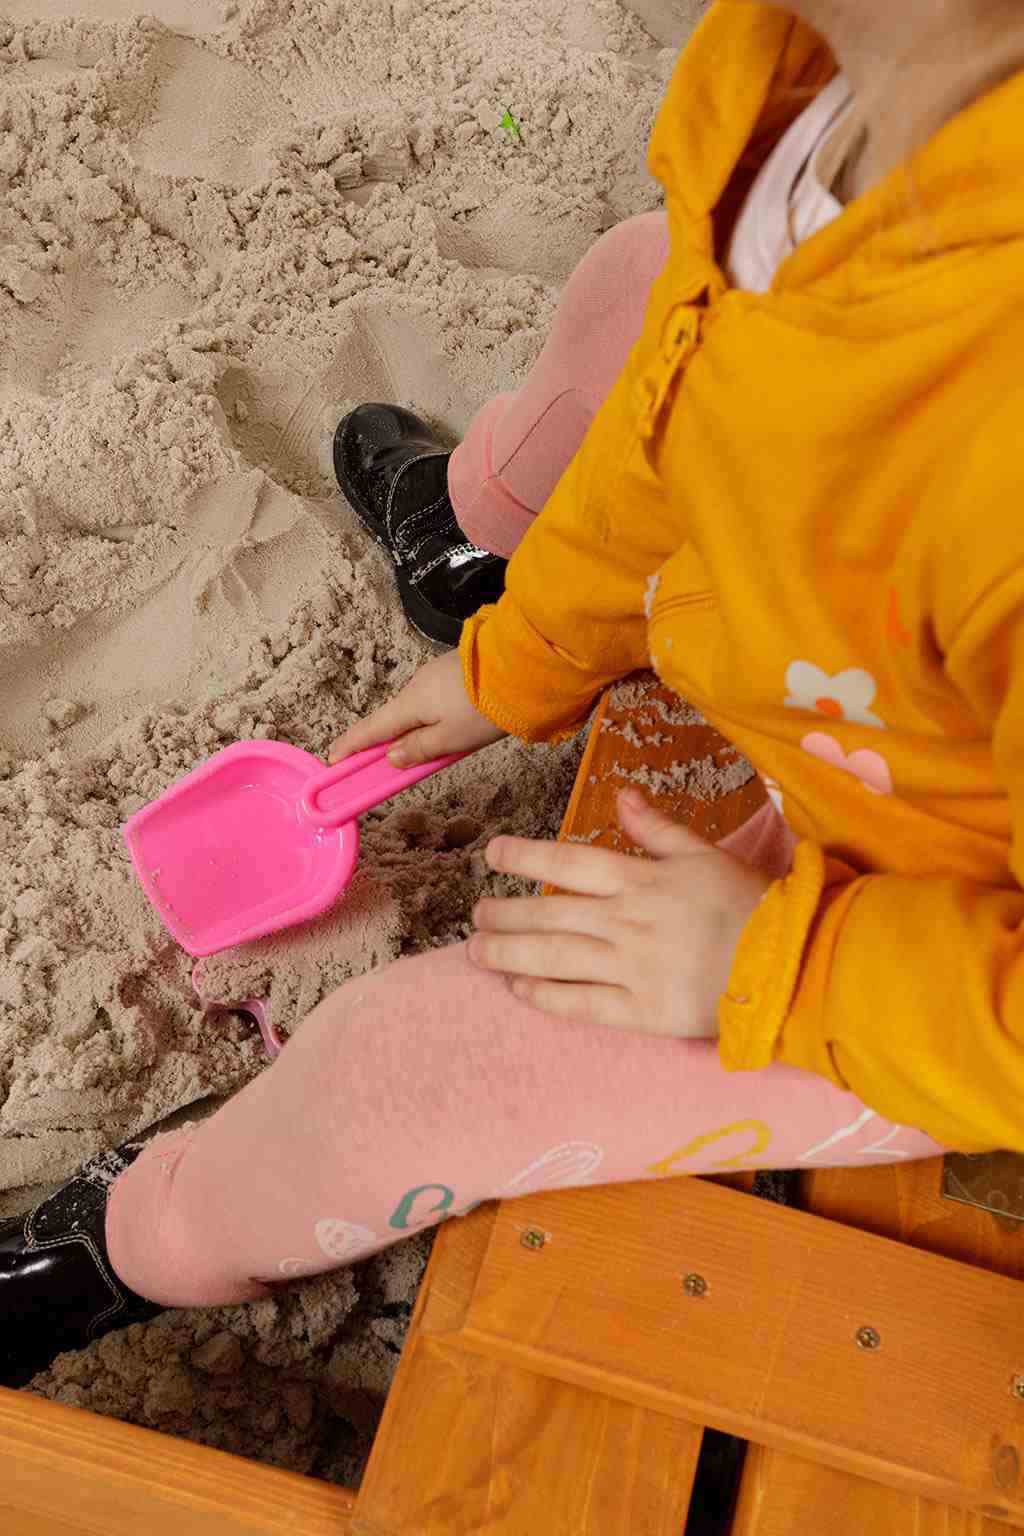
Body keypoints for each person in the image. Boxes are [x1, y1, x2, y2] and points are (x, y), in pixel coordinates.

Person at [5, 0, 1024, 1388]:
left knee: (400, 1068)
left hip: (913, 946)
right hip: (849, 659)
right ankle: (475, 552)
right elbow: (696, 400)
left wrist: (777, 967)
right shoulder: (806, 72)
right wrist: (523, 653)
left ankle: (138, 1238)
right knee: (639, 286)